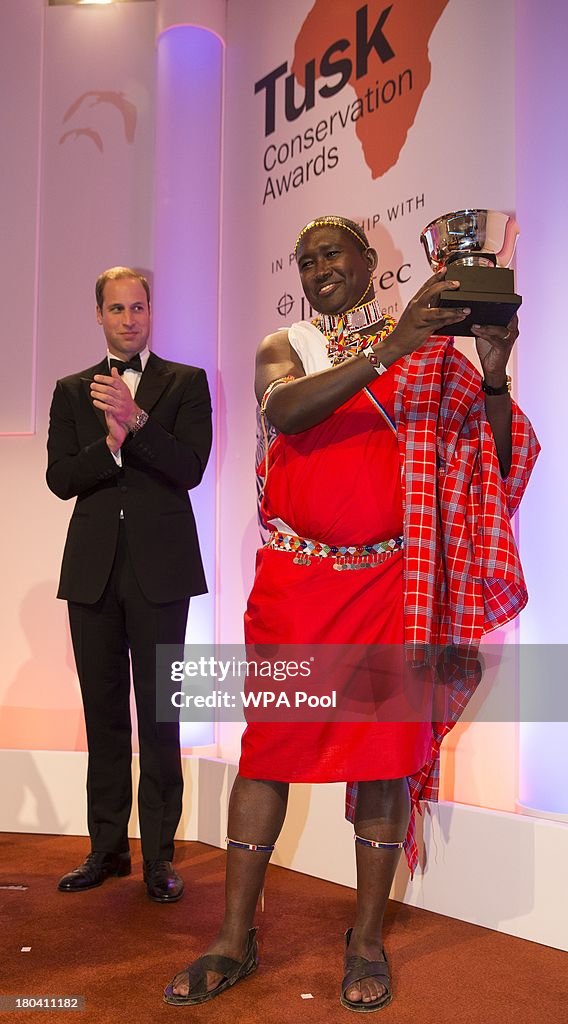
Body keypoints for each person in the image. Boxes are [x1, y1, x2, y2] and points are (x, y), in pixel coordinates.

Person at [163, 217, 538, 1008]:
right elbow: (288, 411)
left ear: (371, 262)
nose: (318, 266)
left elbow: (494, 463)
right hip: (296, 588)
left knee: (383, 758)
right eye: (306, 258)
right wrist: (388, 347)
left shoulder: (432, 356)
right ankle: (235, 938)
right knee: (268, 754)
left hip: (387, 589)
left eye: (333, 252)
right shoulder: (288, 344)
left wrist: (495, 378)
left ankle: (364, 941)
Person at [47, 266, 212, 902]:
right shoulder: (70, 390)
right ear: (99, 315)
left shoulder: (185, 382)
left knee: (161, 716)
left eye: (138, 306)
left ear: (151, 310)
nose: (129, 318)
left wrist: (138, 422)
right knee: (104, 715)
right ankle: (107, 850)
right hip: (91, 571)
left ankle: (160, 859)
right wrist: (109, 448)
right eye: (116, 308)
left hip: (161, 570)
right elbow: (61, 478)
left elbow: (190, 468)